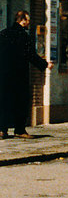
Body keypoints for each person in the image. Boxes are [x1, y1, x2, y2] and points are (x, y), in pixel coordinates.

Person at [0, 10, 49, 138]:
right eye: (28, 20)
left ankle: (2, 129)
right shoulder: (24, 37)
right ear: (23, 20)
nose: (29, 23)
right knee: (21, 102)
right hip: (19, 75)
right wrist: (44, 64)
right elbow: (31, 55)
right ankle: (19, 129)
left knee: (4, 101)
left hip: (4, 74)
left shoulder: (3, 34)